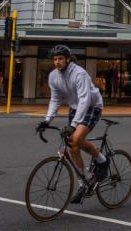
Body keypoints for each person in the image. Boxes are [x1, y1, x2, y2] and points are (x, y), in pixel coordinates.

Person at [36, 45, 109, 204]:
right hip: (75, 107)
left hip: (91, 106)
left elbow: (84, 99)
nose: (57, 62)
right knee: (73, 144)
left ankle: (103, 161)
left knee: (74, 139)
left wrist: (74, 124)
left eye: (60, 59)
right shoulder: (53, 76)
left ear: (67, 59)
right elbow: (55, 100)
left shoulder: (79, 73)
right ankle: (83, 184)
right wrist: (47, 120)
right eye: (55, 59)